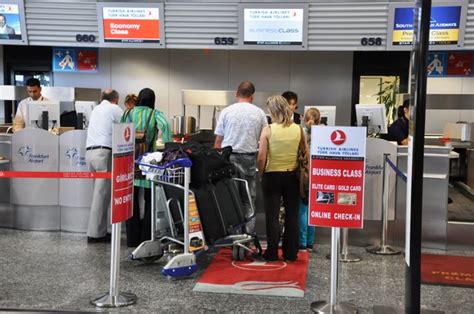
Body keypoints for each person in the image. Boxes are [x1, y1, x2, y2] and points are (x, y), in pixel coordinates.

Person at [257, 95, 307, 262]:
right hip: (292, 176)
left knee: (272, 215)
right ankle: (290, 253)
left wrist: (261, 173)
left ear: (272, 111)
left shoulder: (268, 130)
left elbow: (262, 157)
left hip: (272, 177)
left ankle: (272, 252)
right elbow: (305, 153)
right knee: (292, 215)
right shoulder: (298, 129)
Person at [214, 80, 268, 231]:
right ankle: (247, 237)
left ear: (236, 94)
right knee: (248, 200)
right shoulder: (260, 114)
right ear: (253, 96)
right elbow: (264, 141)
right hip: (249, 159)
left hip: (228, 159)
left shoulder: (226, 112)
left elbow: (218, 142)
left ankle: (232, 234)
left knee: (230, 197)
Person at [122, 88, 172, 247]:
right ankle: (146, 237)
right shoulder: (155, 114)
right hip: (147, 164)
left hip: (129, 163)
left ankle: (131, 239)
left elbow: (119, 133)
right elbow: (166, 128)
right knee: (150, 200)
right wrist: (166, 150)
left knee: (131, 201)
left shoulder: (127, 113)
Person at [85, 89, 123, 243]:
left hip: (90, 154)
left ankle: (99, 231)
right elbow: (127, 125)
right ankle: (94, 234)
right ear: (116, 98)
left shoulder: (96, 109)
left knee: (99, 194)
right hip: (104, 154)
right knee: (101, 195)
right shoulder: (114, 109)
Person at [299, 108, 320, 252]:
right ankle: (310, 243)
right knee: (313, 209)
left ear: (304, 118)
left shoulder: (300, 133)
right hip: (319, 175)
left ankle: (302, 242)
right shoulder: (324, 134)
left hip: (304, 175)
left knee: (302, 210)